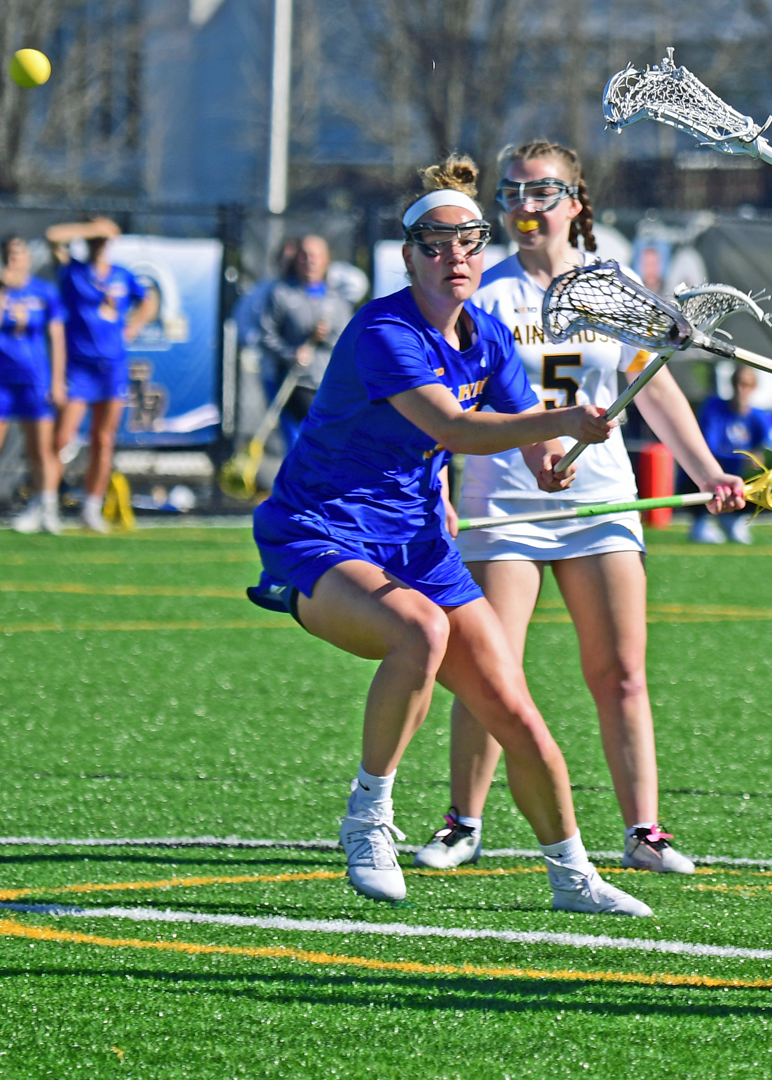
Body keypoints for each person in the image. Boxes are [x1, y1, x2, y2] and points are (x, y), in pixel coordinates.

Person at [248, 154, 652, 916]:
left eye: (467, 243)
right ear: (409, 257)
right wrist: (563, 420)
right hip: (322, 531)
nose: (453, 258)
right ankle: (368, 815)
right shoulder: (383, 332)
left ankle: (572, 876)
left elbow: (533, 445)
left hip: (418, 541)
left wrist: (556, 456)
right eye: (434, 246)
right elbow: (456, 428)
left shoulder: (488, 337)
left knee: (514, 710)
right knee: (420, 632)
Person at [411, 139, 745, 874]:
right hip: (506, 502)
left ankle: (644, 833)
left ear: (575, 202)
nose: (524, 206)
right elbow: (442, 408)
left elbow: (652, 387)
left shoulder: (611, 286)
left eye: (541, 192)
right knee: (491, 671)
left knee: (621, 672)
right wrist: (437, 493)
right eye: (512, 193)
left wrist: (707, 470)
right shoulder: (483, 293)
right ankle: (463, 823)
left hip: (600, 503)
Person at [46, 218, 157, 533]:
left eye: (103, 240)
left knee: (104, 439)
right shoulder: (73, 271)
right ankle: (46, 504)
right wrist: (93, 227)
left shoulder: (121, 274)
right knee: (61, 438)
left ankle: (91, 508)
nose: (98, 244)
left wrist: (134, 326)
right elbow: (52, 234)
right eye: (94, 240)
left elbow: (148, 301)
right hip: (79, 366)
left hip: (112, 367)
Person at [0, 236, 67, 536]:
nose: (13, 259)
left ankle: (45, 510)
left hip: (34, 380)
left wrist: (57, 381)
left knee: (40, 450)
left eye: (18, 253)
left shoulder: (45, 291)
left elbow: (57, 338)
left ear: (27, 257)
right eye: (8, 254)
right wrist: (1, 290)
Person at [258, 234, 354, 453]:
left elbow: (348, 342)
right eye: (304, 256)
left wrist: (326, 336)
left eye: (315, 256)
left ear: (326, 260)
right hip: (295, 383)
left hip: (329, 384)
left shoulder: (336, 300)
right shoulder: (281, 294)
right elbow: (265, 335)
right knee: (306, 437)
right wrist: (290, 354)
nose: (310, 261)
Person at [691, 363, 772, 544]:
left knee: (770, 473)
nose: (740, 389)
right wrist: (741, 458)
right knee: (696, 465)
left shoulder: (759, 416)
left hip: (743, 473)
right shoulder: (714, 408)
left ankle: (736, 518)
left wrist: (761, 459)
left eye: (746, 385)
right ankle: (702, 520)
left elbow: (767, 447)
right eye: (737, 383)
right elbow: (708, 446)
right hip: (716, 468)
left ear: (753, 388)